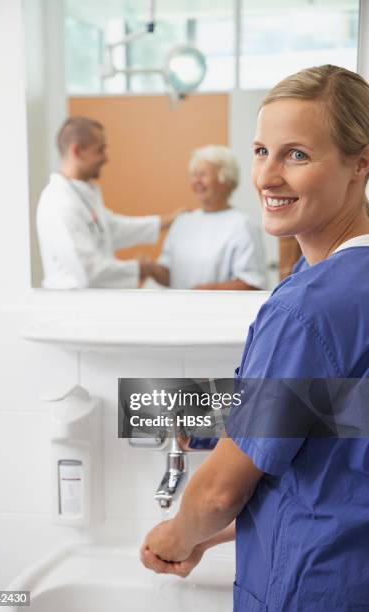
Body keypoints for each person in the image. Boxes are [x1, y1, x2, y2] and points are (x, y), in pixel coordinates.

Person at [140, 64, 369, 611]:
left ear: (361, 162)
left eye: (297, 155)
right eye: (262, 151)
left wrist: (178, 535)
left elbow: (220, 490)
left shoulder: (307, 308)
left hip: (312, 590)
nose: (266, 177)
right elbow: (338, 438)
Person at [37, 116, 179, 289]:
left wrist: (168, 221)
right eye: (100, 150)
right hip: (71, 309)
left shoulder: (80, 195)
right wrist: (144, 269)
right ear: (77, 151)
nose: (106, 158)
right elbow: (89, 272)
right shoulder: (60, 202)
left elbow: (113, 228)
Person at [147, 145, 267, 289]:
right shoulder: (182, 221)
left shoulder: (243, 226)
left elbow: (252, 284)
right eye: (194, 175)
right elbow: (168, 274)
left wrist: (205, 292)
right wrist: (149, 269)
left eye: (203, 174)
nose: (196, 181)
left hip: (218, 311)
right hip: (179, 310)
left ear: (226, 179)